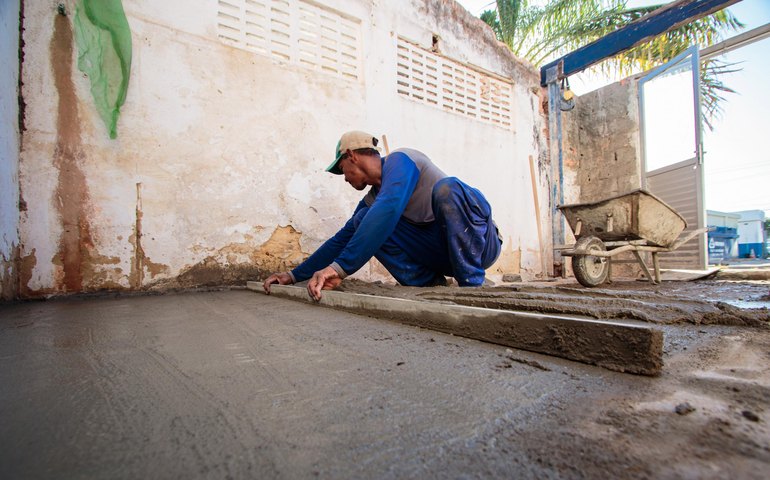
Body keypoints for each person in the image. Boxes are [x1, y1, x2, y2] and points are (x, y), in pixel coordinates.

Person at [263, 131, 502, 300]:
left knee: (447, 189)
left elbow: (388, 206)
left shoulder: (401, 160)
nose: (344, 178)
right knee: (362, 221)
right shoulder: (372, 200)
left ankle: (471, 284)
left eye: (342, 170)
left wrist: (341, 268)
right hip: (442, 254)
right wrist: (293, 276)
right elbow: (342, 239)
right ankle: (429, 284)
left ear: (351, 156)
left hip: (480, 246)